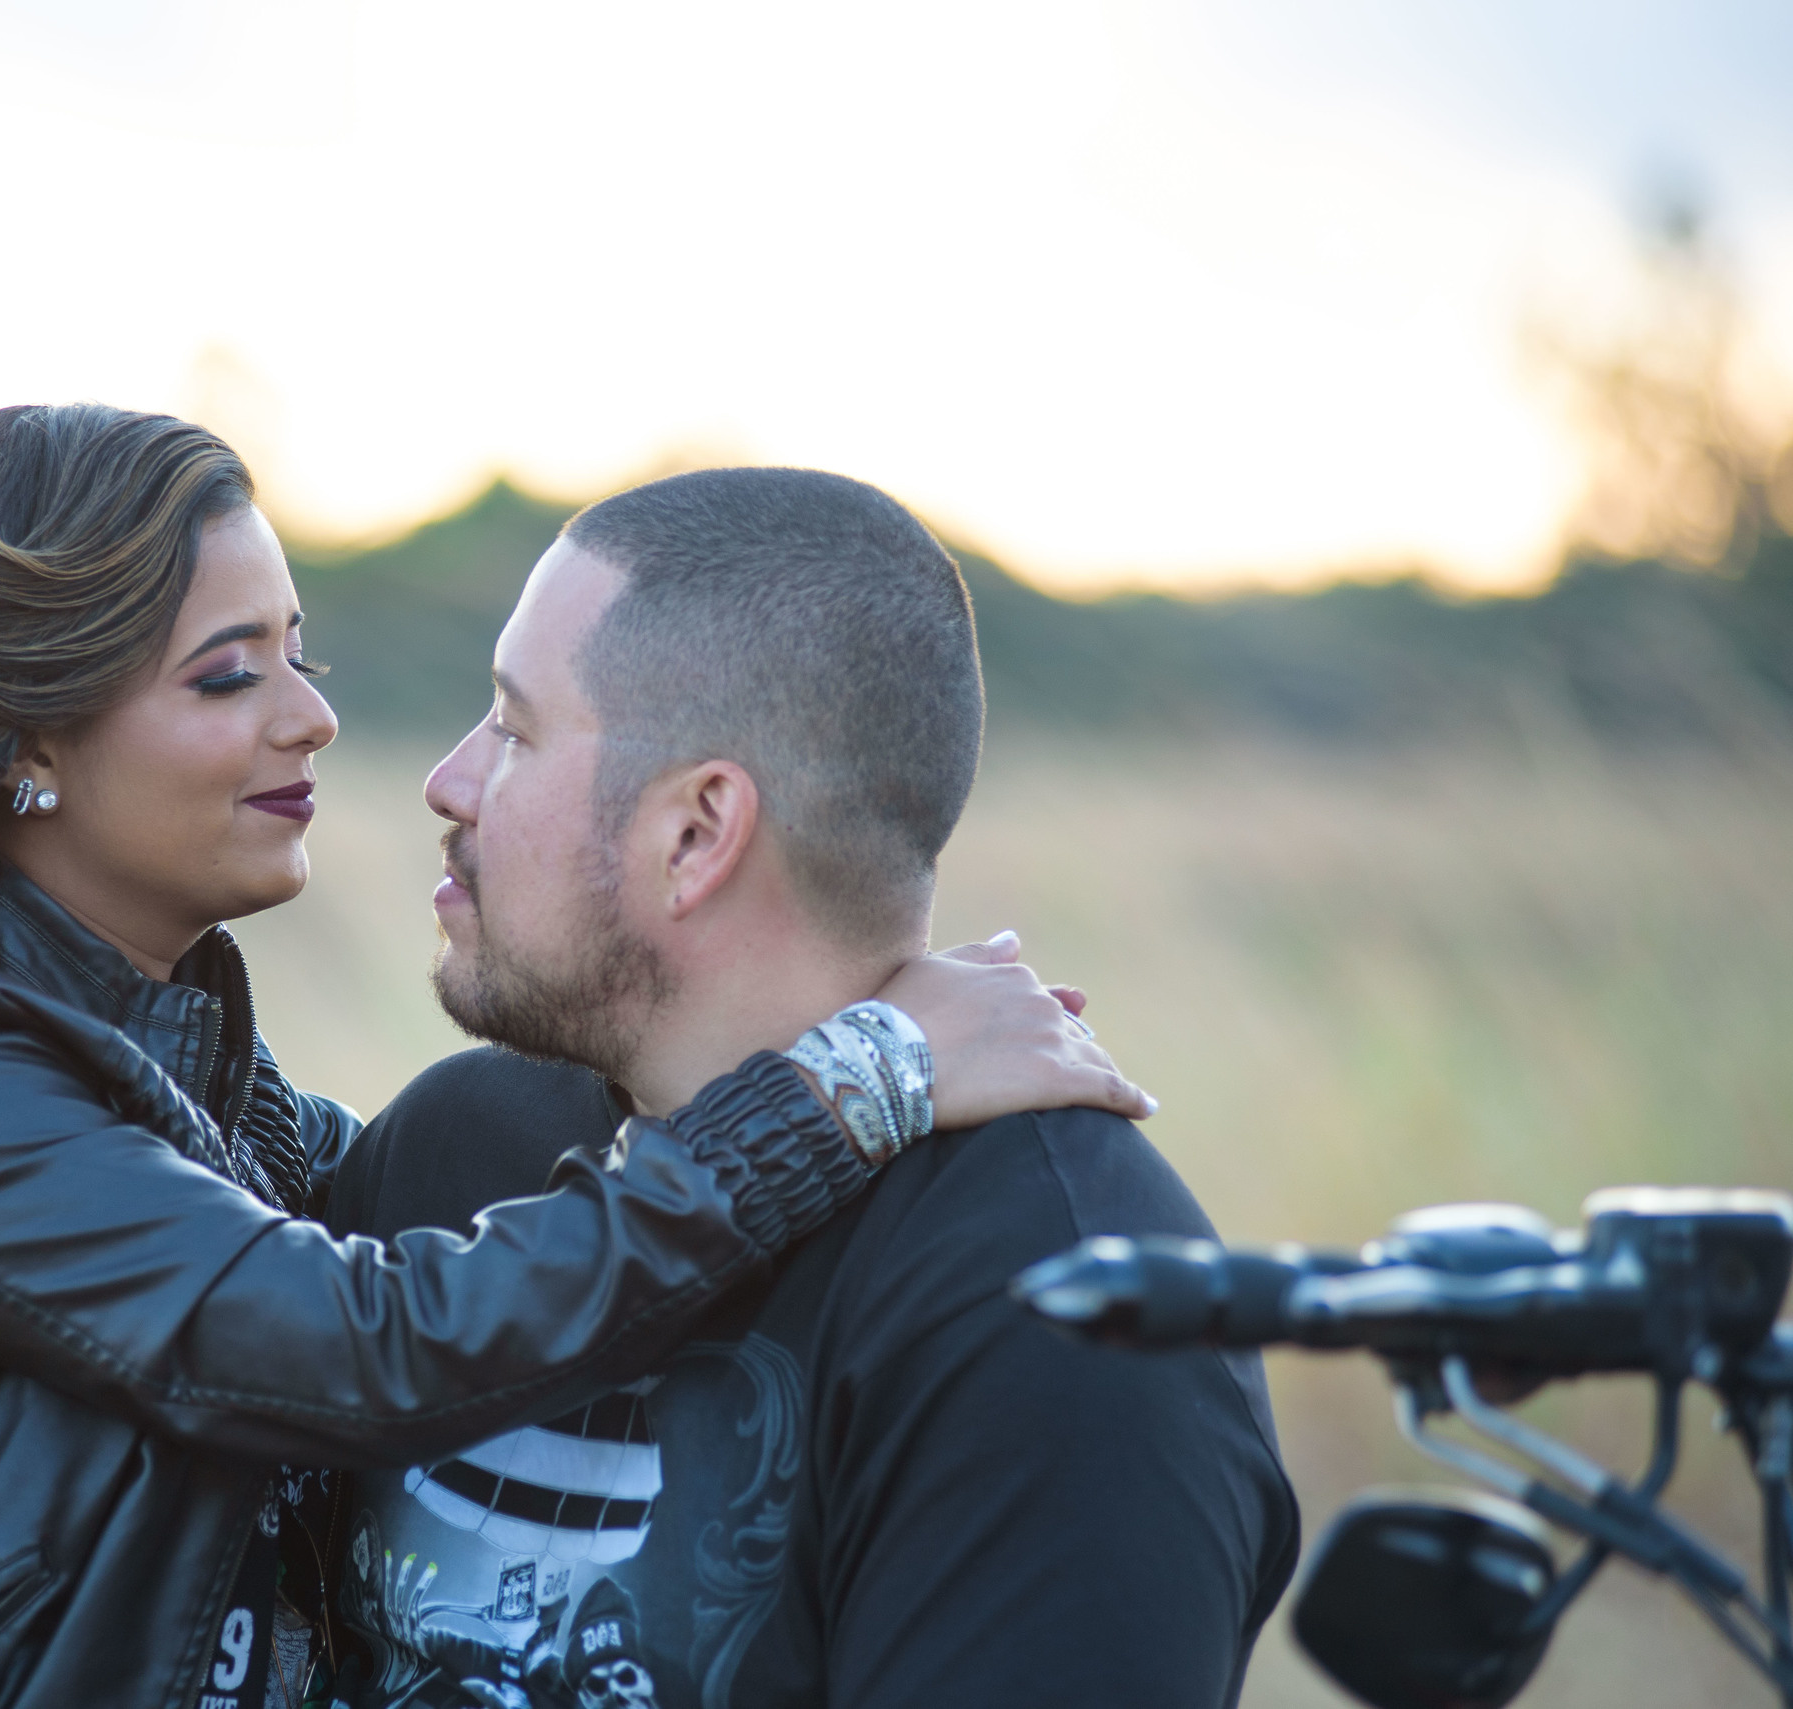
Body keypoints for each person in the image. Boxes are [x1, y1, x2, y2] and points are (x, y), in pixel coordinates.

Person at [0, 405, 1150, 1709]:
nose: (315, 720)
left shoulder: (177, 1071)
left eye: (303, 655)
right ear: (26, 739)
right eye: (229, 676)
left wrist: (722, 1039)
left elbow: (383, 1219)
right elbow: (358, 1344)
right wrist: (855, 1079)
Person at [322, 468, 1300, 1708]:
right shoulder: (456, 1149)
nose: (450, 780)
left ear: (695, 831)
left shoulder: (1064, 1314)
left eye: (515, 729)